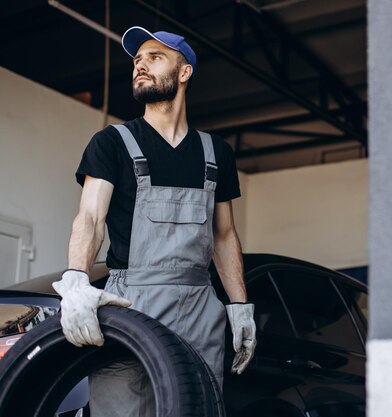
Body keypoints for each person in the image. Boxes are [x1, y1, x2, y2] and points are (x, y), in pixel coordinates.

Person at [51, 26, 256, 417]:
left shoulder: (217, 154)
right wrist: (76, 277)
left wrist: (239, 306)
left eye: (154, 57)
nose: (140, 66)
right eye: (136, 61)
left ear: (184, 72)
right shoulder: (112, 142)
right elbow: (91, 216)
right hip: (130, 304)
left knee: (197, 408)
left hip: (200, 309)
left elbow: (225, 236)